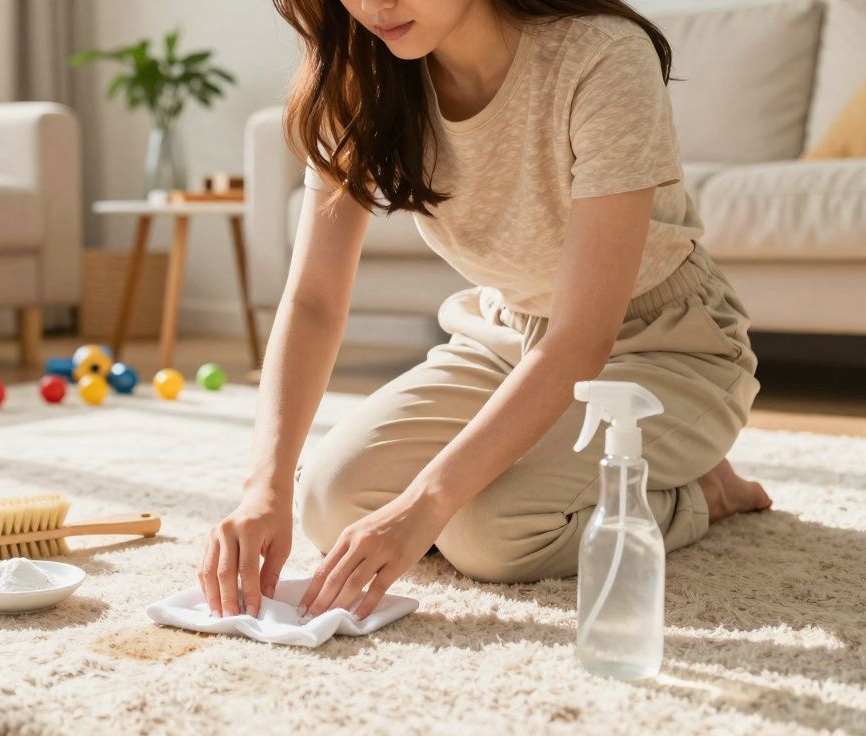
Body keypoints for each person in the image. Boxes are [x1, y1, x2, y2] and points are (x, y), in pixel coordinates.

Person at [198, 0, 773, 620]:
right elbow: (313, 300)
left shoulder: (602, 57)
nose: (374, 6)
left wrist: (425, 505)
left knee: (493, 534)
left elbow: (581, 338)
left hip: (663, 344)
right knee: (327, 501)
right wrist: (266, 485)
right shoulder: (362, 74)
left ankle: (702, 491)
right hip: (505, 336)